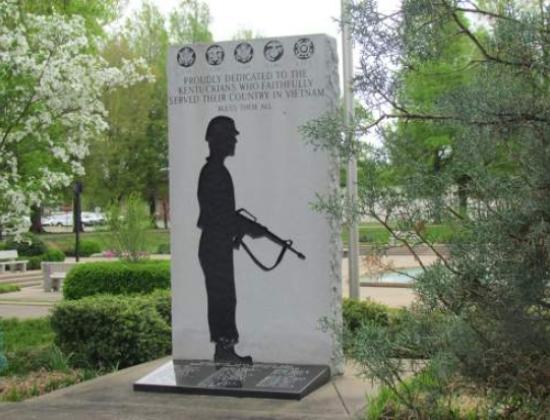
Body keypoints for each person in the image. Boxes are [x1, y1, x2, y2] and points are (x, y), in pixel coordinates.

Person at [197, 116, 261, 365]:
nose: (234, 141)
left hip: (217, 243)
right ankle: (224, 351)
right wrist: (243, 227)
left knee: (224, 297)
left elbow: (222, 214)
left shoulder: (216, 171)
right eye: (231, 137)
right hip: (214, 244)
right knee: (222, 298)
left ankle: (224, 350)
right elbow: (217, 215)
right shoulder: (214, 173)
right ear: (219, 140)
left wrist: (242, 229)